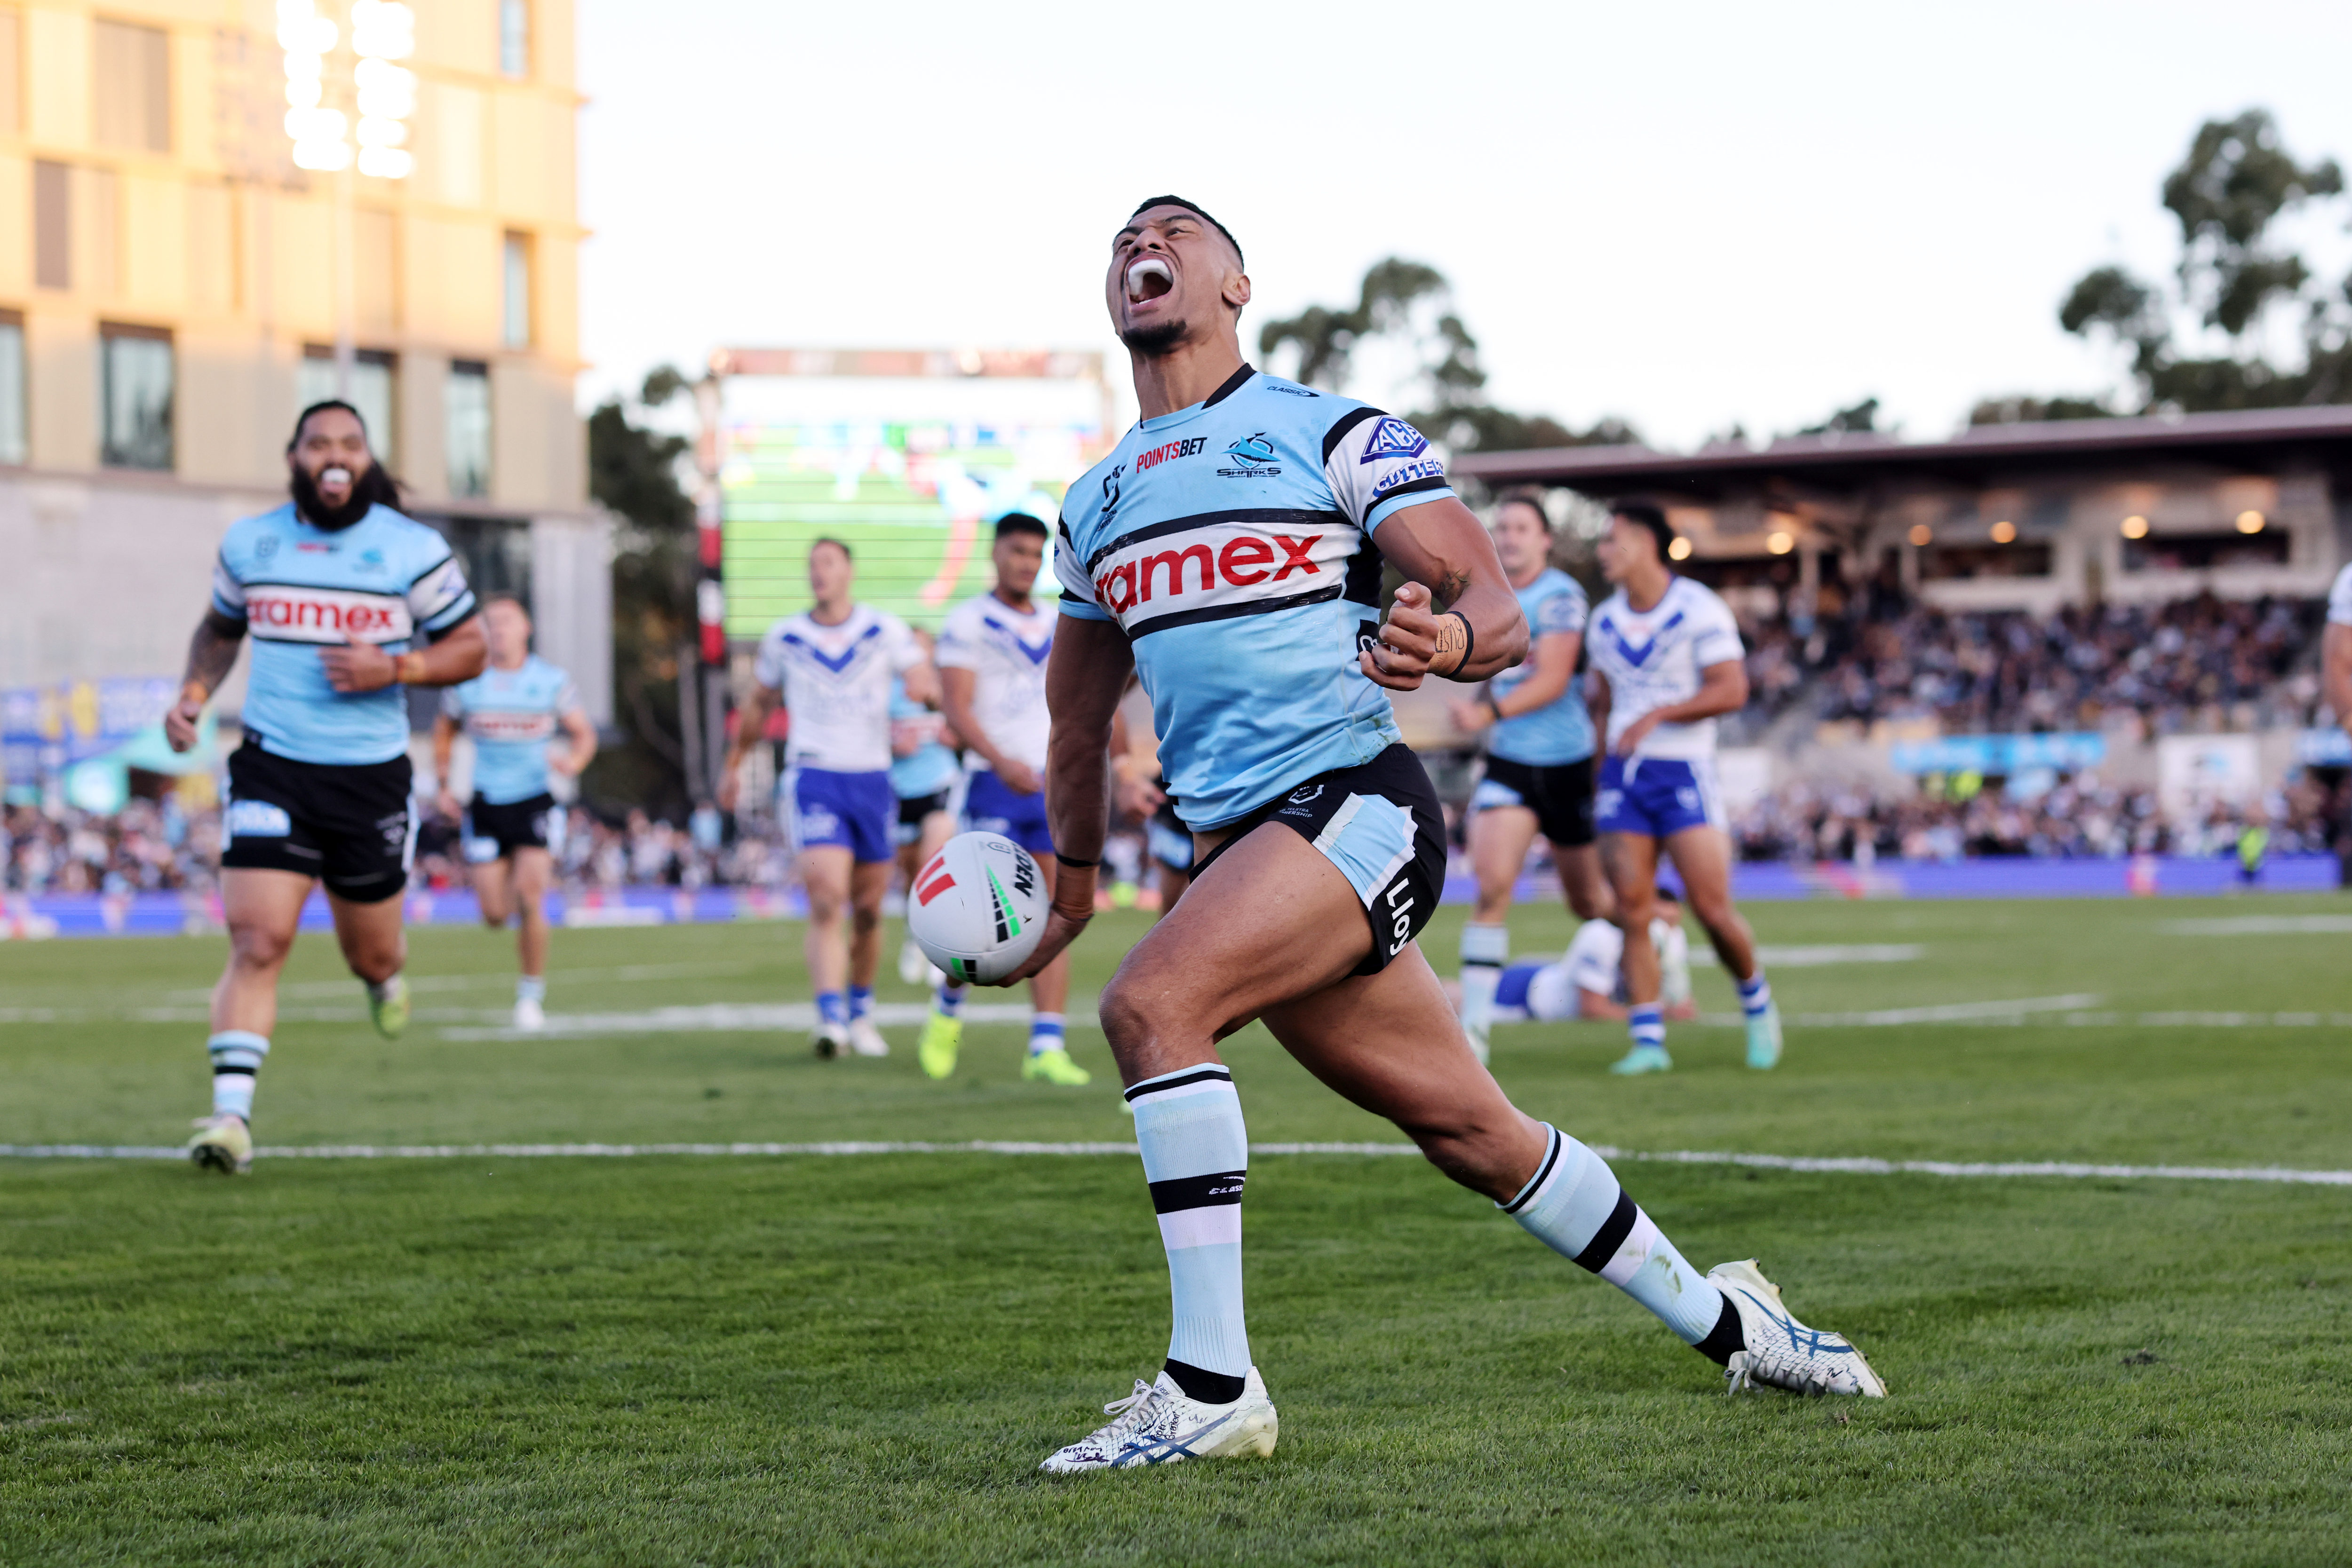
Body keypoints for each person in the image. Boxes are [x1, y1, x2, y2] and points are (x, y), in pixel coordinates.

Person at [999, 197, 1882, 1473]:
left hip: (1358, 803)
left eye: (1180, 231)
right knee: (1477, 1132)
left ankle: (1211, 1385)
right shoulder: (1091, 505)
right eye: (1129, 238)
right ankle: (1739, 1320)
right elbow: (1075, 728)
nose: (1148, 246)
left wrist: (1451, 644)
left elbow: (1499, 606)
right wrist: (1070, 898)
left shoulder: (1328, 431)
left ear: (1239, 282)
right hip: (1247, 850)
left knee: (1152, 1007)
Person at [167, 400, 486, 1175]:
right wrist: (194, 695)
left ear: (368, 459)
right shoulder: (252, 542)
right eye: (319, 444)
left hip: (371, 777)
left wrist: (398, 667)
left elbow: (470, 646)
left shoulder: (413, 549)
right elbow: (220, 628)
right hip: (273, 763)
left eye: (350, 443)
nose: (334, 455)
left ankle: (386, 977)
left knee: (370, 954)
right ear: (295, 458)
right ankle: (230, 1117)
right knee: (259, 938)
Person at [1583, 501, 1783, 1076]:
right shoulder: (1603, 621)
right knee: (1631, 908)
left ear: (1647, 542)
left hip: (1684, 772)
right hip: (1623, 778)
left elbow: (1731, 689)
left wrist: (1661, 715)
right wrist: (1599, 772)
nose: (1603, 551)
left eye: (1611, 539)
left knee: (1710, 907)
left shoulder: (1698, 608)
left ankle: (1756, 1002)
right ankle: (1647, 1039)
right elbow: (1599, 703)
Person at [717, 538, 936, 1059]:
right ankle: (830, 1018)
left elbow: (921, 676)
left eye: (828, 563)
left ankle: (861, 1010)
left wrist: (928, 691)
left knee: (866, 910)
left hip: (873, 779)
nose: (818, 572)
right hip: (813, 774)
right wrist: (732, 765)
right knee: (825, 897)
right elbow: (757, 705)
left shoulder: (884, 629)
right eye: (811, 564)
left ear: (848, 572)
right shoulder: (785, 636)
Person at [921, 513, 1089, 1086]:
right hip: (992, 782)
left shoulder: (1058, 617)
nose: (1024, 562)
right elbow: (956, 707)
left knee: (1051, 911)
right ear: (995, 553)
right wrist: (1001, 763)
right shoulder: (968, 620)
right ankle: (945, 1012)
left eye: (1033, 553)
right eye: (1015, 551)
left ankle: (1045, 1045)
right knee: (975, 918)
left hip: (1048, 786)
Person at [1446, 490, 1614, 1062]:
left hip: (1566, 765)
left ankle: (1655, 960)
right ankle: (1474, 1034)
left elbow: (1554, 678)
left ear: (1544, 539)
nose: (1510, 536)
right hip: (1510, 765)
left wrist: (1486, 712)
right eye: (1503, 528)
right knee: (1492, 886)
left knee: (1589, 901)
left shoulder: (1561, 596)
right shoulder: (1487, 599)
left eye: (1521, 528)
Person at [431, 595, 596, 1031]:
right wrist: (444, 783)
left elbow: (584, 735)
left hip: (535, 799)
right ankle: (510, 933)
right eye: (491, 623)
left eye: (506, 621)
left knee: (530, 895)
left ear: (526, 628)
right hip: (485, 803)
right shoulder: (468, 682)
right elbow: (443, 730)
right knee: (493, 914)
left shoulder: (550, 681)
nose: (498, 629)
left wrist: (574, 763)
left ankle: (530, 995)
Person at [1442, 890, 1695, 1025]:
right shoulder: (1601, 935)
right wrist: (1660, 1015)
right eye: (1661, 921)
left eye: (1673, 922)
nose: (1668, 930)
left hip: (1550, 979)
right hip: (1527, 995)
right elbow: (1593, 1010)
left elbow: (1677, 999)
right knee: (1451, 1003)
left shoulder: (1672, 940)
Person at [890, 631, 961, 986]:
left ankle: (940, 946)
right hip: (901, 790)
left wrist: (956, 738)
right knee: (909, 877)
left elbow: (967, 729)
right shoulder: (890, 690)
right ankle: (915, 937)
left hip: (939, 785)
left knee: (931, 862)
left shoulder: (945, 688)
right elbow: (869, 734)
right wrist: (892, 743)